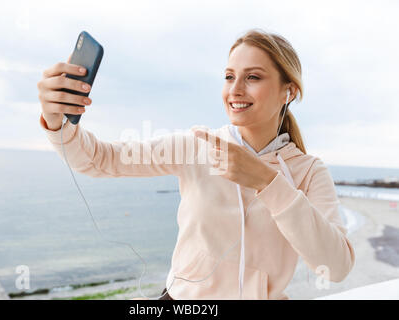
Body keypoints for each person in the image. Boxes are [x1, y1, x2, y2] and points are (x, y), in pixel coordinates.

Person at [36, 28, 355, 300]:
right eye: (229, 76)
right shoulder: (196, 145)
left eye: (253, 77)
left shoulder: (311, 173)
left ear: (290, 91)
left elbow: (337, 266)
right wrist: (57, 120)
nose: (235, 89)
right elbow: (99, 160)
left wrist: (268, 183)